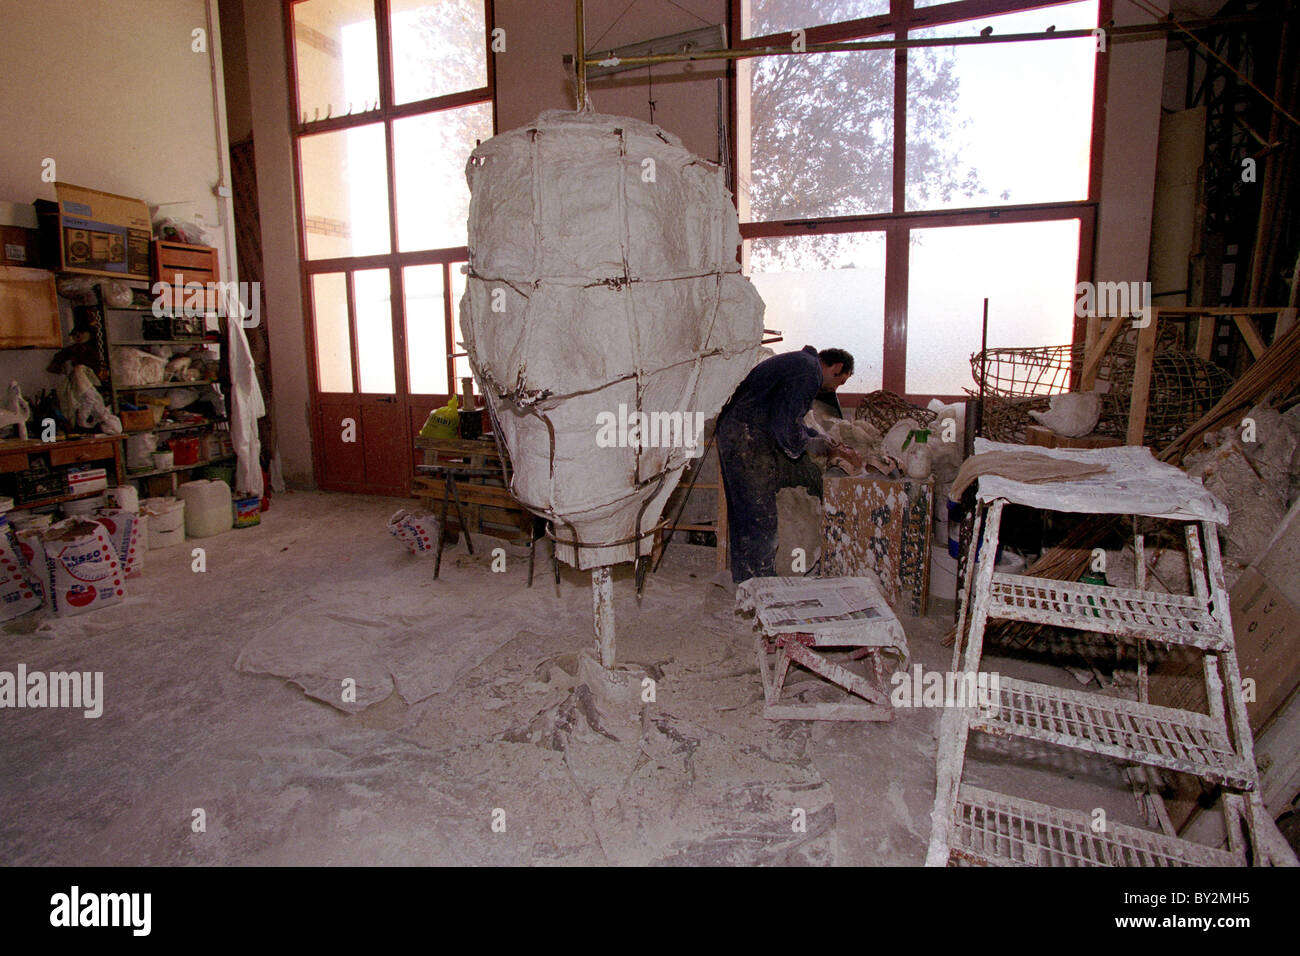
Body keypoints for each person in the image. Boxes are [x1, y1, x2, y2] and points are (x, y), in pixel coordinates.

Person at [716, 346, 859, 583]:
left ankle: (746, 581)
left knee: (745, 514)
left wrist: (815, 435)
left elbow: (787, 416)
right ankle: (761, 584)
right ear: (837, 367)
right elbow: (786, 429)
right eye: (839, 382)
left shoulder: (800, 364)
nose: (835, 389)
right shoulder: (808, 372)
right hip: (746, 435)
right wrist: (816, 446)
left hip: (739, 431)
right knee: (759, 516)